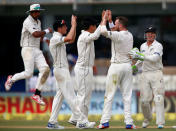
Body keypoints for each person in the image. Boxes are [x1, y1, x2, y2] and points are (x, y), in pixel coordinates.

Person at [47, 16, 95, 129]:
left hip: (61, 70)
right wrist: (74, 25)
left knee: (59, 97)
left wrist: (74, 26)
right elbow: (69, 38)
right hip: (61, 70)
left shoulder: (59, 38)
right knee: (72, 97)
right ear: (59, 28)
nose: (66, 28)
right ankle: (82, 121)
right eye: (64, 26)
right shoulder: (55, 38)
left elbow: (71, 39)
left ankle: (52, 122)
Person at [4, 4, 52, 105]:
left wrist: (46, 39)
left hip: (37, 49)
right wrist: (47, 31)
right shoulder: (27, 21)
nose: (37, 13)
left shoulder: (38, 21)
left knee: (46, 70)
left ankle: (37, 94)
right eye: (35, 11)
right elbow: (35, 34)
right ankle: (11, 79)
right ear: (31, 12)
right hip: (27, 49)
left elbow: (38, 36)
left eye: (38, 11)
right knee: (28, 73)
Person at [97, 10, 135, 129]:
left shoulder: (118, 35)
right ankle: (129, 122)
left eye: (116, 23)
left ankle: (104, 122)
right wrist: (111, 21)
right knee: (127, 96)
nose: (114, 25)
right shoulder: (129, 35)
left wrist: (104, 19)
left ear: (120, 25)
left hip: (116, 67)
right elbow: (113, 32)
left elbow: (104, 31)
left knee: (109, 95)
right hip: (127, 68)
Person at [129, 26, 165, 129]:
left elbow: (155, 58)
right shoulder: (142, 46)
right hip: (145, 74)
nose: (150, 35)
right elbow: (142, 59)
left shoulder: (158, 45)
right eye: (148, 33)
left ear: (155, 35)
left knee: (158, 98)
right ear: (146, 35)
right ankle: (147, 118)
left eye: (152, 33)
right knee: (144, 100)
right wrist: (135, 66)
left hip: (156, 73)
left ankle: (160, 122)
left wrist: (141, 56)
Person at [68, 17, 101, 126]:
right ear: (91, 26)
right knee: (84, 95)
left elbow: (95, 35)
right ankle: (82, 122)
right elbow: (96, 36)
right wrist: (103, 21)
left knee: (82, 95)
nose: (96, 27)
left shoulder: (86, 36)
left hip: (85, 68)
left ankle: (75, 118)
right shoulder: (85, 36)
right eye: (95, 25)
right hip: (84, 68)